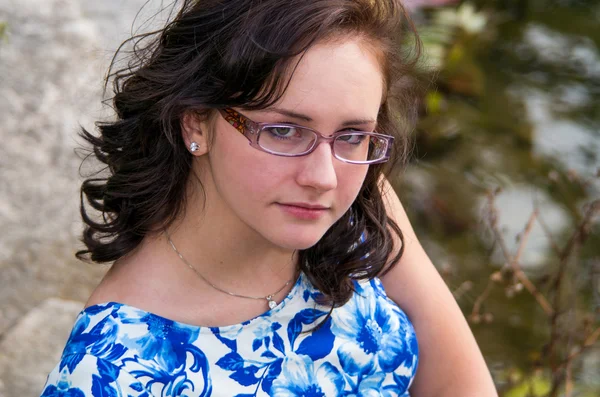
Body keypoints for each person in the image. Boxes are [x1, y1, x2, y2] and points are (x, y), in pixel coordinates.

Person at [41, 0, 497, 396]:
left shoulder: (360, 203)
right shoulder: (114, 369)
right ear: (196, 122)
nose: (323, 177)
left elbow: (463, 387)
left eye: (352, 134)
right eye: (283, 131)